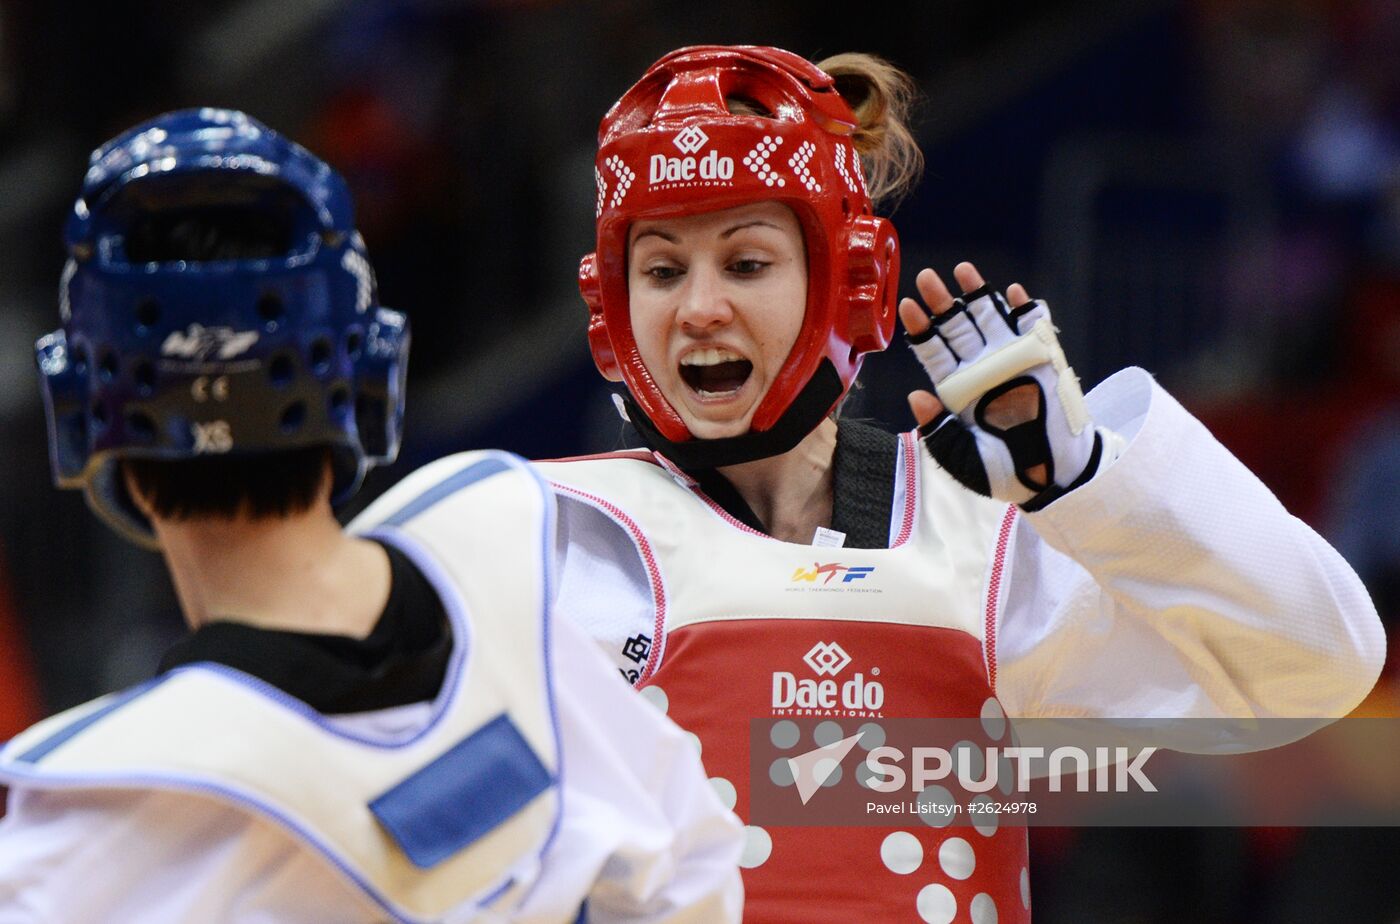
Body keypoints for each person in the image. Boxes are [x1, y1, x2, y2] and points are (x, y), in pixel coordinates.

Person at [535, 45, 1387, 922]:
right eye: (663, 270)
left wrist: (1089, 481)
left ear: (850, 284)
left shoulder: (980, 541)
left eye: (747, 264)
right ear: (611, 308)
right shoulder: (542, 538)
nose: (699, 307)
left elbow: (1319, 663)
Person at [0, 108, 743, 923]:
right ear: (368, 381)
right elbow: (697, 867)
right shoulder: (517, 583)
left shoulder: (71, 840)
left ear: (83, 420)